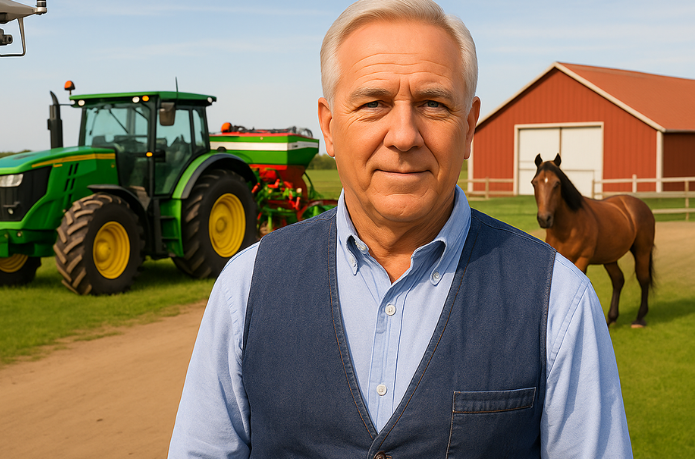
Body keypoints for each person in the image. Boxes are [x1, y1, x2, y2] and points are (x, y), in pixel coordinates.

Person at [168, 0, 632, 457]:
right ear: (329, 127)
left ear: (469, 127)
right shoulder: (246, 287)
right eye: (374, 103)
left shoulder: (558, 300)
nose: (405, 135)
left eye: (433, 104)